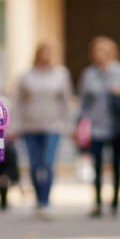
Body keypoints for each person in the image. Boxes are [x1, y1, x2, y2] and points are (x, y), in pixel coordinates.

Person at [77, 36, 120, 217]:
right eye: (96, 52)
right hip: (96, 125)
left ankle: (115, 201)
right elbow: (83, 102)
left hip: (117, 126)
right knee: (96, 164)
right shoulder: (89, 74)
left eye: (103, 52)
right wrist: (78, 123)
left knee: (117, 163)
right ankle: (97, 202)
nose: (99, 56)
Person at [15, 42, 74, 217]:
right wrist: (14, 126)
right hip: (30, 127)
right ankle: (38, 199)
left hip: (53, 126)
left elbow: (66, 102)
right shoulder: (26, 76)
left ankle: (46, 200)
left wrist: (69, 125)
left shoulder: (61, 75)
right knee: (34, 165)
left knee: (48, 163)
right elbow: (18, 103)